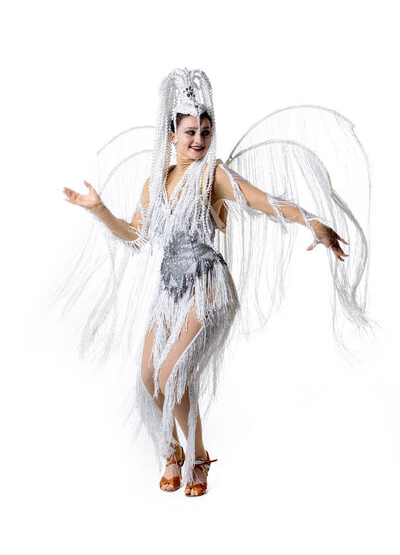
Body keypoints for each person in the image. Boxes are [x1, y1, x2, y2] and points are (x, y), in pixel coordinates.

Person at [58, 68, 375, 497]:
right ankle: (171, 451)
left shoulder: (213, 175)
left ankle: (199, 456)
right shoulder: (157, 181)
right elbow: (136, 237)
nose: (199, 141)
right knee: (149, 375)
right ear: (172, 134)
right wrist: (99, 209)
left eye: (206, 132)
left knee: (174, 374)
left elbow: (265, 201)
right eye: (190, 132)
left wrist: (312, 221)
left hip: (207, 286)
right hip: (170, 289)